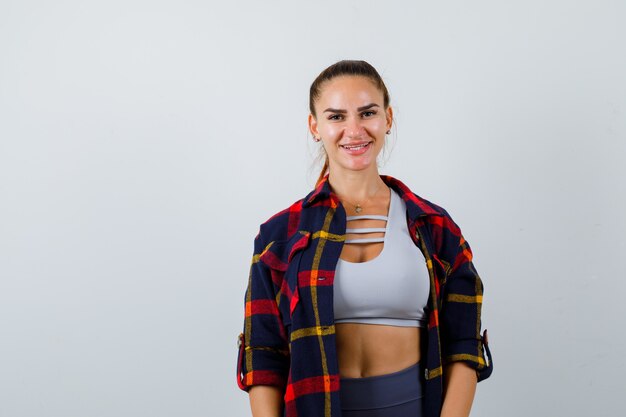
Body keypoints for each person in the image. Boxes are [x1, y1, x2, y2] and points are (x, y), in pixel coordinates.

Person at [236, 60, 493, 417]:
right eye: (336, 117)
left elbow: (463, 347)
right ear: (315, 126)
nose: (354, 130)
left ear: (388, 119)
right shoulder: (279, 235)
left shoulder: (434, 226)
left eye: (367, 113)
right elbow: (263, 355)